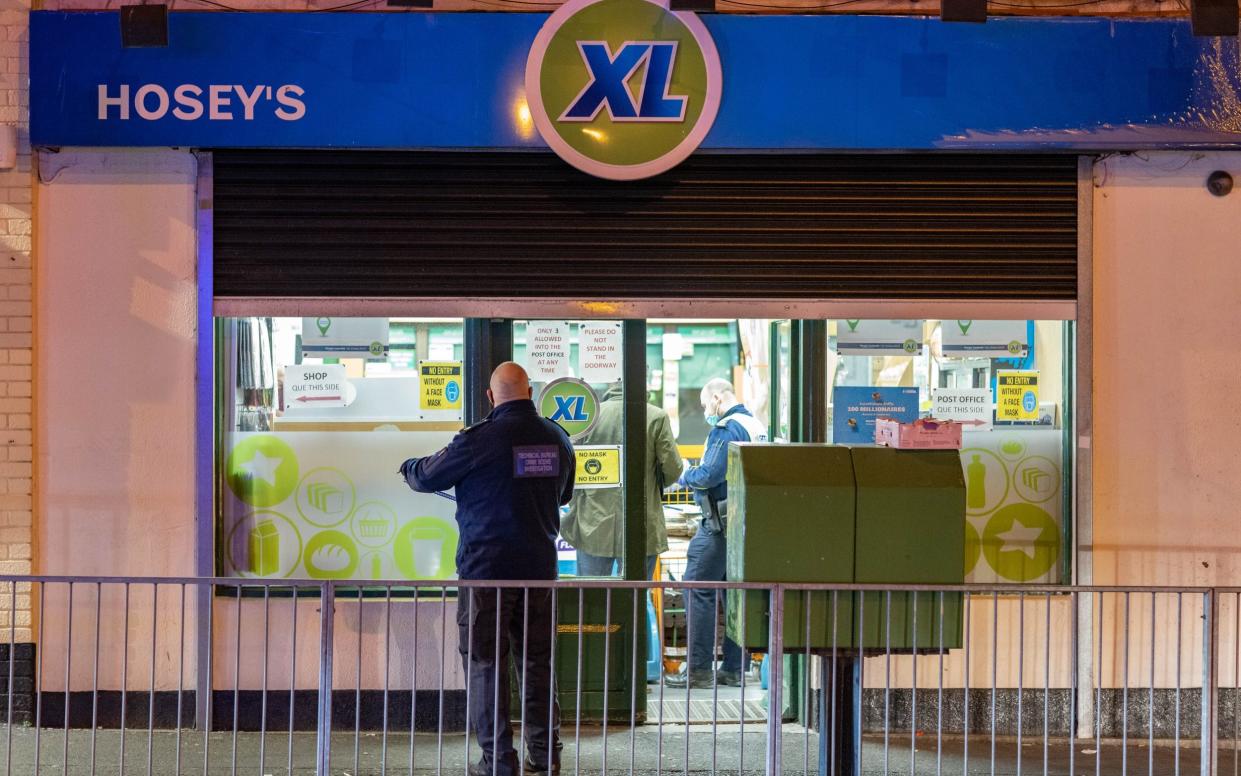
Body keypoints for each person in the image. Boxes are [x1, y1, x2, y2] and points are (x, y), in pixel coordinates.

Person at [400, 362, 575, 776]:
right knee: (537, 662)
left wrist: (408, 466)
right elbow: (564, 494)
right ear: (530, 393)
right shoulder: (557, 438)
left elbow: (427, 477)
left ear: (490, 397)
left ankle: (498, 761)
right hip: (538, 572)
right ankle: (545, 755)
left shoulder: (478, 440)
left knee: (485, 664)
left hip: (486, 574)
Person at [666, 377, 767, 689]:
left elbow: (710, 474)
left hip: (719, 525)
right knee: (733, 593)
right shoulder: (754, 424)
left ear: (718, 397)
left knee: (697, 587)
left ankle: (697, 670)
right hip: (744, 523)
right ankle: (734, 668)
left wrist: (685, 475)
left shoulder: (726, 428)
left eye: (705, 403)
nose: (705, 410)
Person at [562, 382, 683, 579]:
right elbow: (673, 468)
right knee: (634, 598)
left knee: (591, 597)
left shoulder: (589, 416)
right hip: (642, 524)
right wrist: (653, 484)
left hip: (592, 523)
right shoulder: (655, 416)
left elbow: (572, 465)